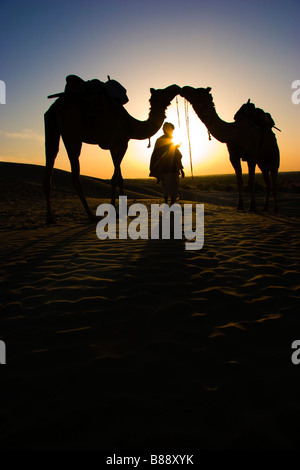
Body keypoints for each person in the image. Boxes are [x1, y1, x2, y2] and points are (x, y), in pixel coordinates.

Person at [149, 122, 184, 205]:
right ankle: (167, 205)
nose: (171, 132)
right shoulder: (161, 140)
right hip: (165, 169)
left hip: (173, 169)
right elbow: (159, 153)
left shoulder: (171, 141)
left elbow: (177, 156)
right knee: (167, 188)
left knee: (173, 189)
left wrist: (181, 169)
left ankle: (170, 205)